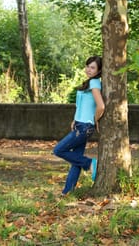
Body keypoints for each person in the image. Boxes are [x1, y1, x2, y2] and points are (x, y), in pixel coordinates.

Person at [53, 55, 105, 195]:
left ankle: (89, 163)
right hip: (79, 125)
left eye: (92, 67)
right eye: (87, 66)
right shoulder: (88, 83)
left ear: (99, 70)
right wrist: (74, 120)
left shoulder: (94, 83)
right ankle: (67, 192)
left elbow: (101, 106)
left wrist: (94, 120)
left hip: (85, 126)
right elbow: (82, 106)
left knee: (58, 150)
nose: (88, 69)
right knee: (76, 160)